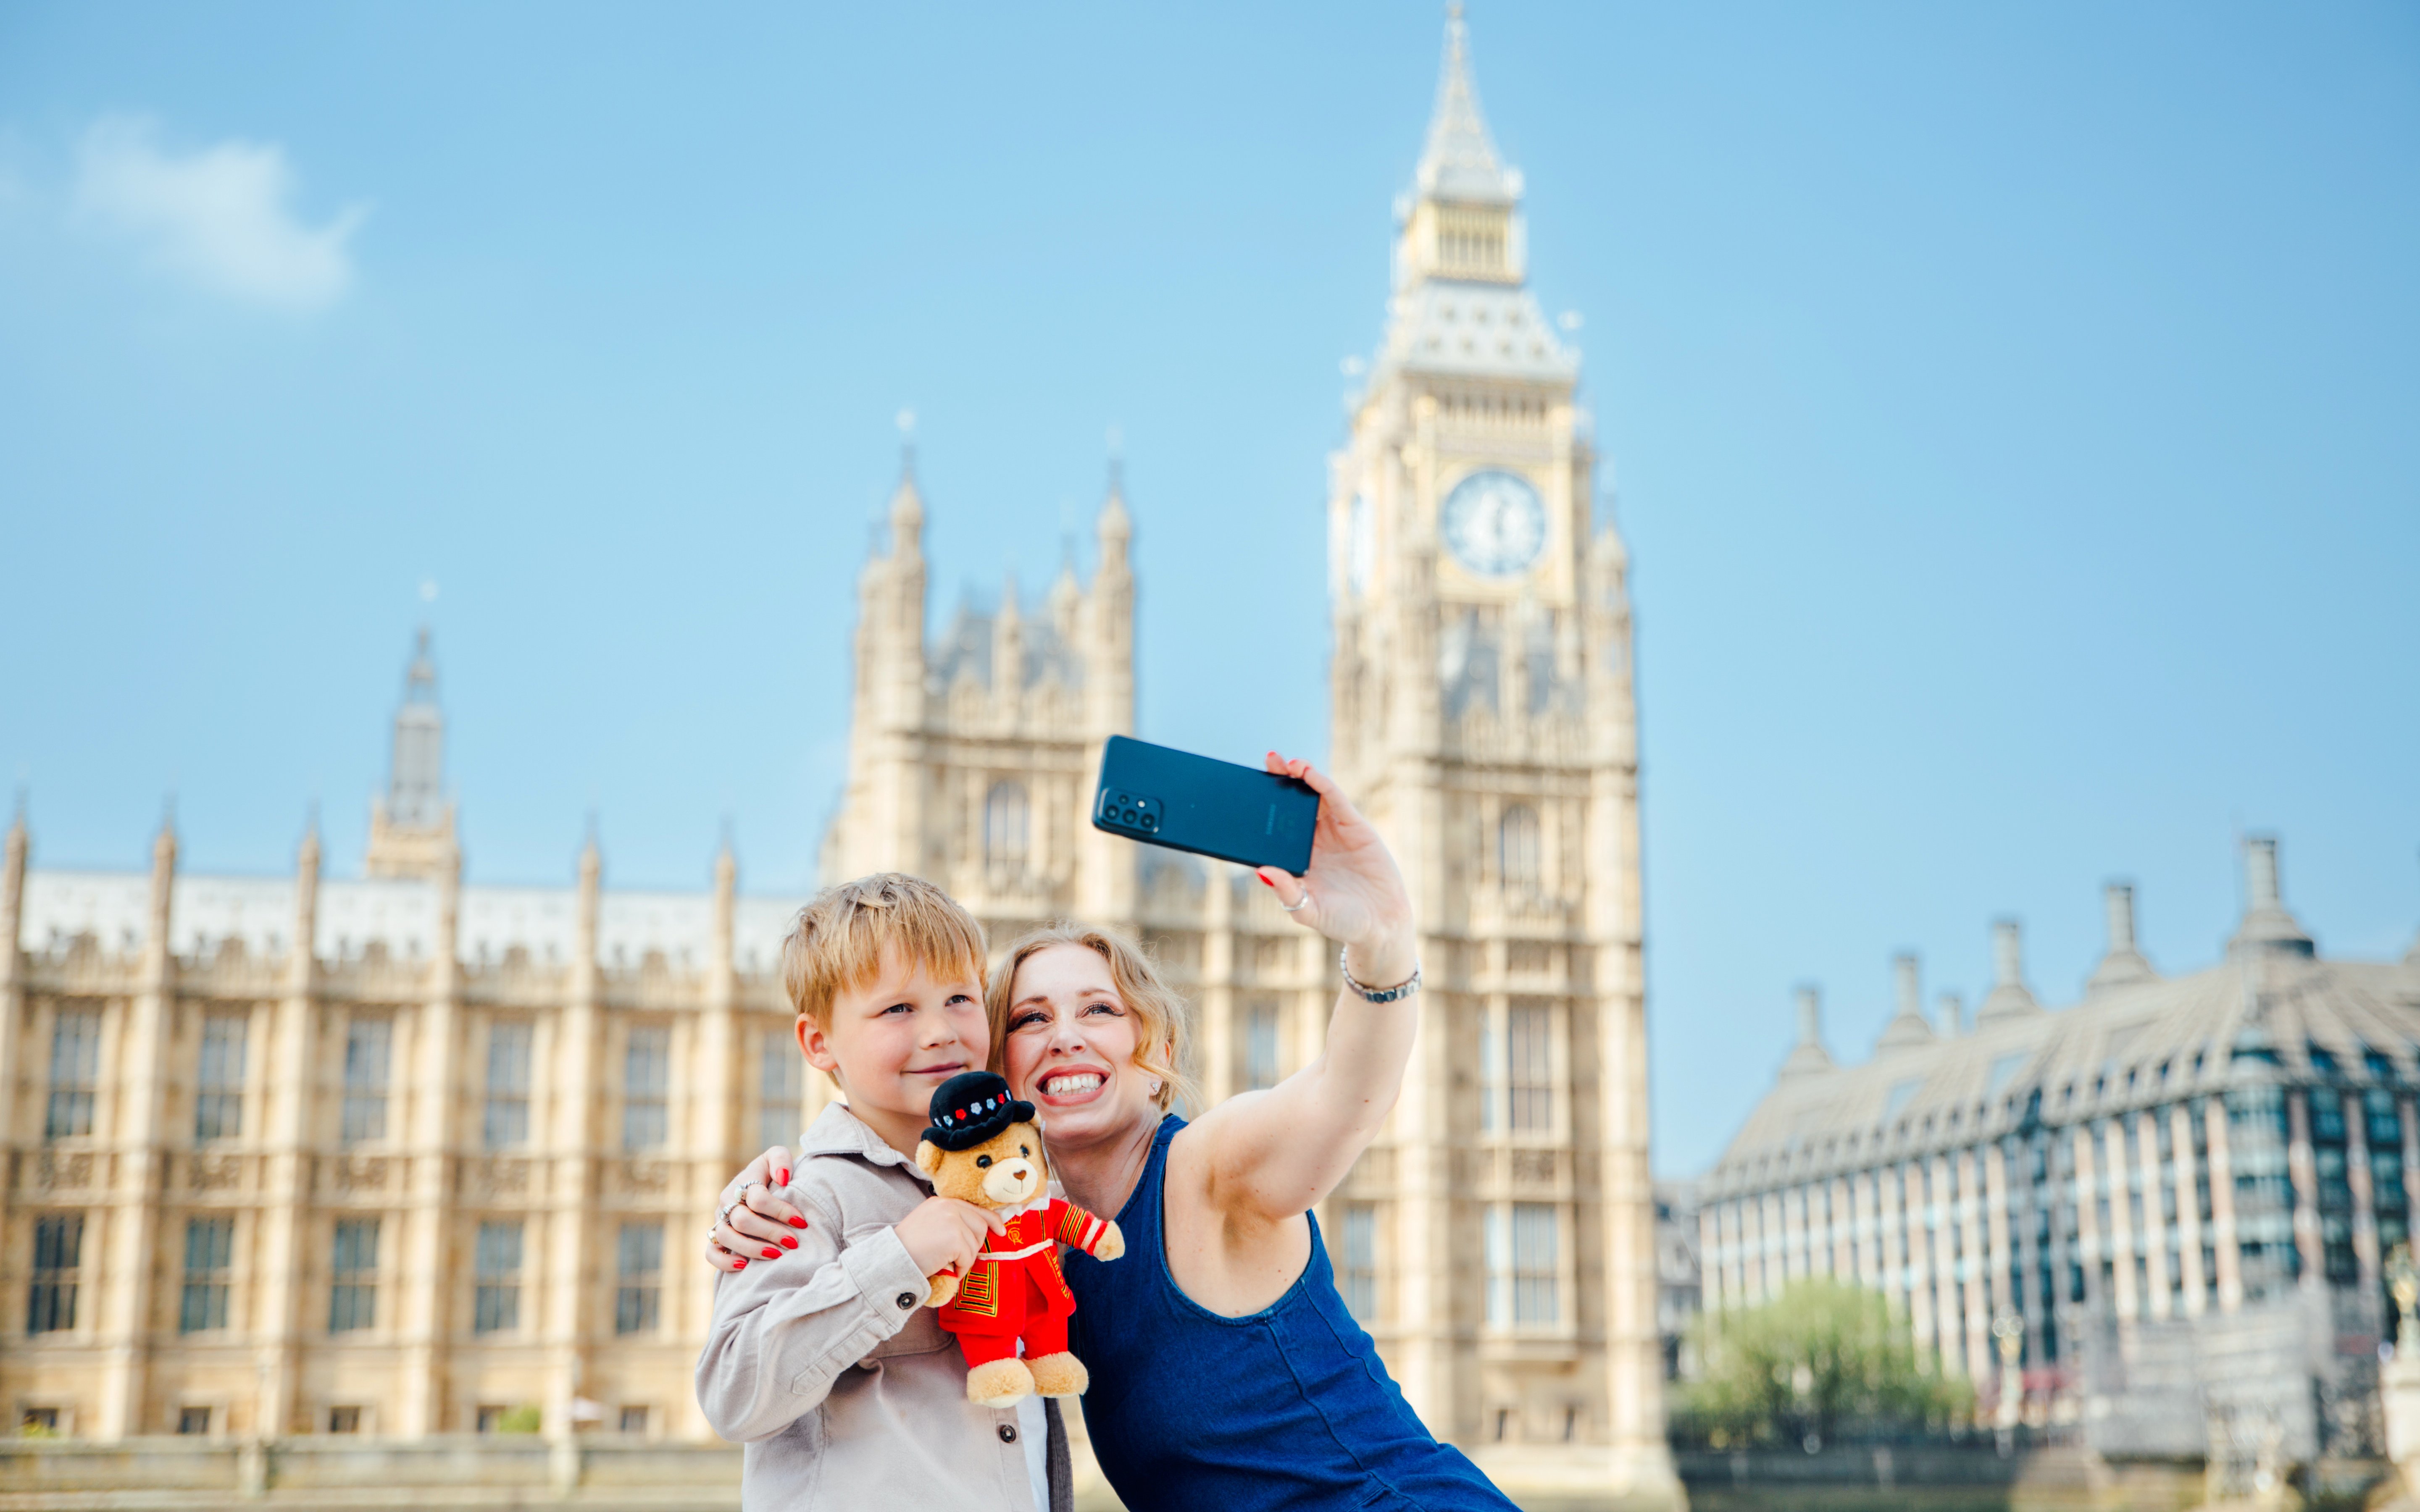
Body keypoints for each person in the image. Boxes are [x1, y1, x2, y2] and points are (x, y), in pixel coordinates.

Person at [709, 755, 1520, 1511]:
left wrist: (1382, 950)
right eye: (1031, 1018)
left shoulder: (1207, 1167)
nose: (1065, 1036)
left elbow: (1342, 1100)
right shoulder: (1021, 1226)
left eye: (1099, 1010)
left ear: (1157, 1051)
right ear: (998, 1068)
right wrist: (780, 1181)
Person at [692, 872, 1071, 1512]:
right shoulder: (799, 1200)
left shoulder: (1018, 1183)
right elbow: (734, 1395)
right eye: (899, 1009)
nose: (940, 1031)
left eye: (960, 998)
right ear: (818, 1043)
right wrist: (898, 1258)